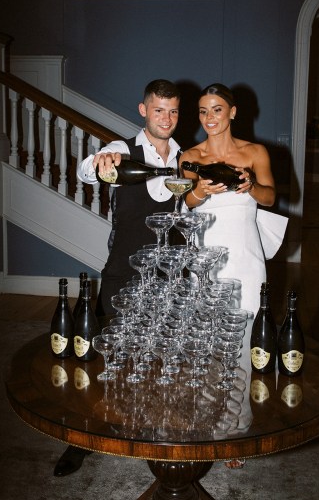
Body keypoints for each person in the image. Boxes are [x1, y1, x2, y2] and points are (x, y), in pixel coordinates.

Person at [53, 79, 181, 477]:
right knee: (102, 359)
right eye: (159, 109)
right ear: (143, 110)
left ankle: (150, 433)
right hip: (124, 269)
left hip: (168, 270)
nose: (167, 118)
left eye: (174, 110)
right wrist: (98, 164)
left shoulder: (185, 156)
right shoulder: (122, 150)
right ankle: (82, 439)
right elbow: (89, 169)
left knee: (159, 356)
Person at [181, 82, 287, 316]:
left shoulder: (255, 152)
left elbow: (269, 198)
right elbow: (186, 202)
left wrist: (251, 186)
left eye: (217, 109)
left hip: (245, 249)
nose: (209, 117)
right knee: (206, 320)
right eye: (203, 111)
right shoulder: (191, 157)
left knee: (249, 313)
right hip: (206, 249)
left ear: (233, 112)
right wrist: (201, 191)